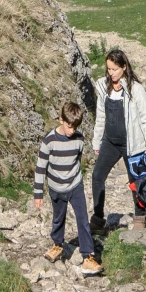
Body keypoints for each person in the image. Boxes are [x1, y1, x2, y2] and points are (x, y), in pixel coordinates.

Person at [90, 45, 146, 237]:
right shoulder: (102, 86)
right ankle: (98, 218)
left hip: (131, 143)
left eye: (114, 69)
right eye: (108, 69)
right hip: (110, 142)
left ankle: (140, 217)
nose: (111, 73)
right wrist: (96, 142)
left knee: (135, 180)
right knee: (97, 176)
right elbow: (100, 116)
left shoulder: (136, 90)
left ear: (124, 67)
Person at [31, 97, 101, 272]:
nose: (72, 130)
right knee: (58, 218)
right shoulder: (49, 141)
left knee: (83, 220)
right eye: (69, 126)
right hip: (56, 187)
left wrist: (74, 177)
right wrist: (38, 193)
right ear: (61, 119)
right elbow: (41, 168)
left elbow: (77, 159)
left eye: (75, 127)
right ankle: (57, 245)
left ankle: (87, 256)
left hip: (75, 185)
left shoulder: (79, 139)